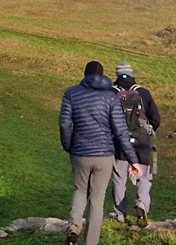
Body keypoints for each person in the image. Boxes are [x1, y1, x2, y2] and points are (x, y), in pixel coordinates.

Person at [60, 61, 144, 245]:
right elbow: (121, 130)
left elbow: (65, 123)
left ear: (85, 74)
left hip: (80, 153)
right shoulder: (110, 97)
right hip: (105, 154)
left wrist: (68, 146)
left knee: (81, 190)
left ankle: (74, 228)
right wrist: (133, 160)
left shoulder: (71, 93)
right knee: (97, 199)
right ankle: (91, 241)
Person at [109, 62, 160, 226]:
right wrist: (148, 131)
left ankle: (120, 213)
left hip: (119, 141)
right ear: (132, 74)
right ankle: (142, 204)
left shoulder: (111, 92)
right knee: (143, 177)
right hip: (142, 141)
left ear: (117, 75)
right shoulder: (143, 93)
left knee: (119, 178)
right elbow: (156, 118)